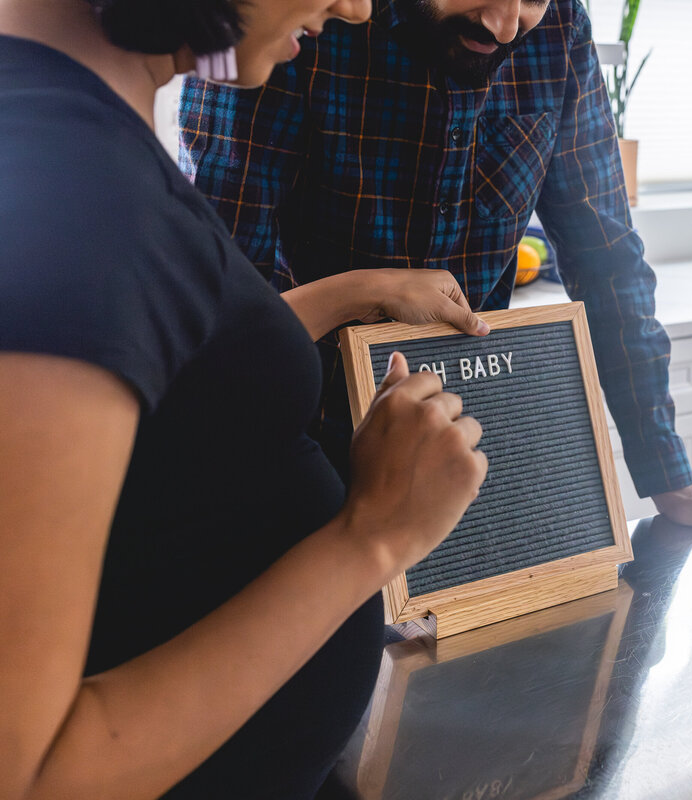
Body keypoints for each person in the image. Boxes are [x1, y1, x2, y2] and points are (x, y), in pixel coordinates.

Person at [0, 0, 489, 797]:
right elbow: (31, 775)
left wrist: (355, 293)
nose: (357, 8)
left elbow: (168, 359)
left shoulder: (70, 124)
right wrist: (374, 538)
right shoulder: (77, 190)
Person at [179, 0, 692, 535]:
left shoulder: (560, 31)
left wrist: (665, 472)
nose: (505, 23)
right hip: (296, 437)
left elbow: (608, 261)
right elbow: (226, 291)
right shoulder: (302, 25)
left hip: (468, 440)